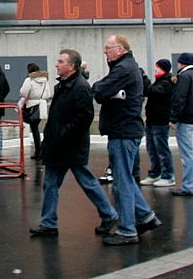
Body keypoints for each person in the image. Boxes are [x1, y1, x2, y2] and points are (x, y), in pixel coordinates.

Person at [29, 49, 118, 238]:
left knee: (86, 182)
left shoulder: (80, 87)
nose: (56, 64)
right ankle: (48, 223)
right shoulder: (63, 86)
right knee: (51, 184)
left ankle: (109, 215)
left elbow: (84, 118)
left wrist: (63, 135)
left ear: (72, 66)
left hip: (70, 146)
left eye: (61, 61)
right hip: (59, 145)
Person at [91, 35, 161, 245]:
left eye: (108, 48)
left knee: (121, 183)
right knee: (126, 179)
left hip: (122, 131)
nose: (105, 52)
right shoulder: (128, 67)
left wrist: (101, 89)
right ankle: (146, 217)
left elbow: (99, 90)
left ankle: (127, 230)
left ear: (120, 49)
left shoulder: (123, 69)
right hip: (126, 130)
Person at [169, 53, 193, 197]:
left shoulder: (184, 77)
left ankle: (189, 186)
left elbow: (179, 98)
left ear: (181, 63)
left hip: (185, 121)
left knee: (187, 155)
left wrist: (173, 119)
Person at [140, 59, 175, 187]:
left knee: (161, 149)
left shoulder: (166, 83)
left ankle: (168, 175)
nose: (155, 69)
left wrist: (143, 77)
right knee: (152, 149)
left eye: (157, 67)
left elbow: (151, 91)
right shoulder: (160, 81)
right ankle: (155, 173)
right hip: (152, 121)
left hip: (160, 122)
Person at [17, 62, 51, 160]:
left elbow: (23, 92)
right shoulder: (45, 80)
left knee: (34, 129)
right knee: (36, 128)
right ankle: (39, 150)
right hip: (42, 105)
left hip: (32, 105)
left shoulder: (29, 80)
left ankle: (39, 151)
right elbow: (48, 94)